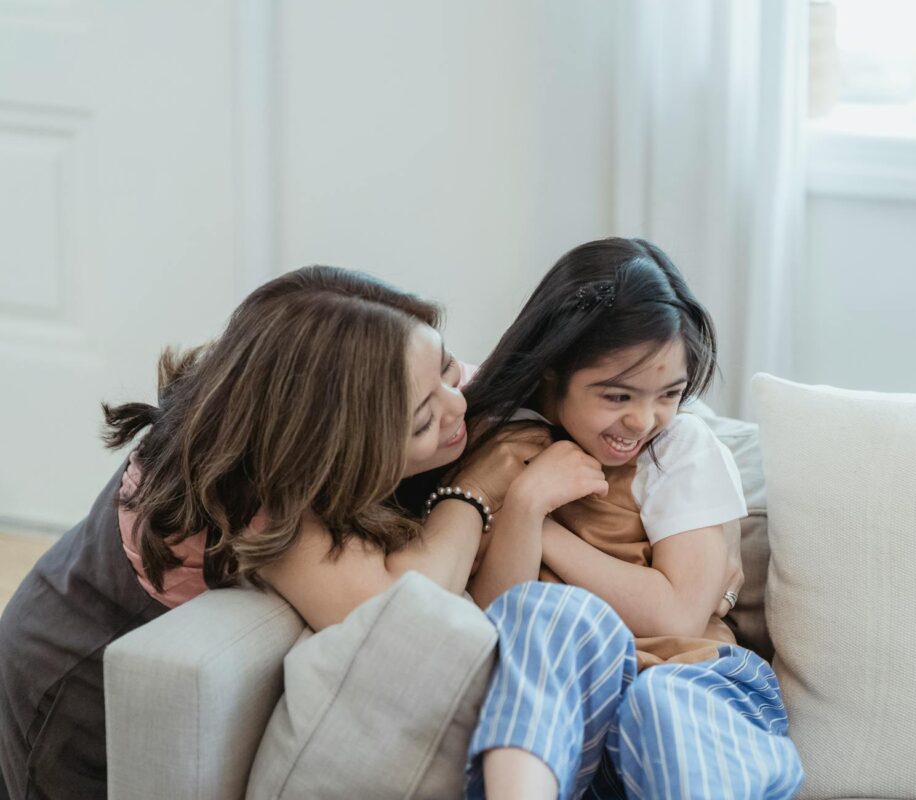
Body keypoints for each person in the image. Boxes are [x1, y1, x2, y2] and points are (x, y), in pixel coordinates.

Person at [0, 266, 725, 799]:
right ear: (339, 448)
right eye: (424, 418)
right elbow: (401, 610)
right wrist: (474, 492)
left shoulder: (376, 364)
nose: (458, 407)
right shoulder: (263, 494)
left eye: (446, 369)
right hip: (69, 688)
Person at [456, 237, 804, 799]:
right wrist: (523, 505)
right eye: (617, 397)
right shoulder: (503, 447)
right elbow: (497, 623)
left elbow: (679, 615)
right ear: (552, 373)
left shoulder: (678, 447)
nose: (643, 420)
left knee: (659, 699)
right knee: (547, 614)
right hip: (577, 720)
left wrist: (546, 531)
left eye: (669, 393)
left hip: (695, 680)